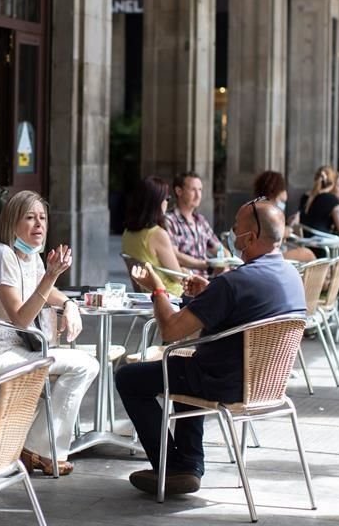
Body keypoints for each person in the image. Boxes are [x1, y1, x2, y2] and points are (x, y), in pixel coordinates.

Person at [115, 200, 306, 496]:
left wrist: (157, 289)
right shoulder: (292, 275)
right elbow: (244, 311)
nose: (231, 235)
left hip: (223, 382)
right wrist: (208, 294)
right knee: (184, 364)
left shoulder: (234, 282)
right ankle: (188, 465)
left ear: (251, 238)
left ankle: (172, 466)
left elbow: (170, 330)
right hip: (265, 384)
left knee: (129, 376)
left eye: (236, 229)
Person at [0, 190, 98, 476]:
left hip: (14, 350)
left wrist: (70, 304)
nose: (39, 225)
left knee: (79, 366)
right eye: (30, 218)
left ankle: (35, 447)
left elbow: (48, 293)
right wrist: (51, 275)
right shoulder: (0, 255)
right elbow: (22, 319)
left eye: (43, 218)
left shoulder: (28, 256)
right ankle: (39, 449)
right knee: (85, 366)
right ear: (13, 223)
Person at [121, 176, 185, 296]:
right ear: (158, 202)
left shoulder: (127, 233)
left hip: (144, 296)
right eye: (167, 198)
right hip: (170, 297)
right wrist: (188, 272)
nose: (167, 202)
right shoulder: (157, 234)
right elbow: (178, 277)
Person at [164, 172, 227, 274]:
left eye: (200, 190)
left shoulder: (200, 220)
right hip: (185, 281)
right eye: (193, 190)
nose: (198, 195)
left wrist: (228, 260)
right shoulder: (169, 220)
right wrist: (206, 266)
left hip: (206, 280)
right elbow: (174, 254)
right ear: (179, 191)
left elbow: (218, 248)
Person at [252, 170, 315, 263]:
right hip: (266, 258)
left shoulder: (258, 207)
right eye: (284, 189)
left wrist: (289, 225)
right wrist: (289, 229)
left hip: (267, 256)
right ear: (278, 191)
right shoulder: (268, 210)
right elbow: (273, 235)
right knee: (308, 254)